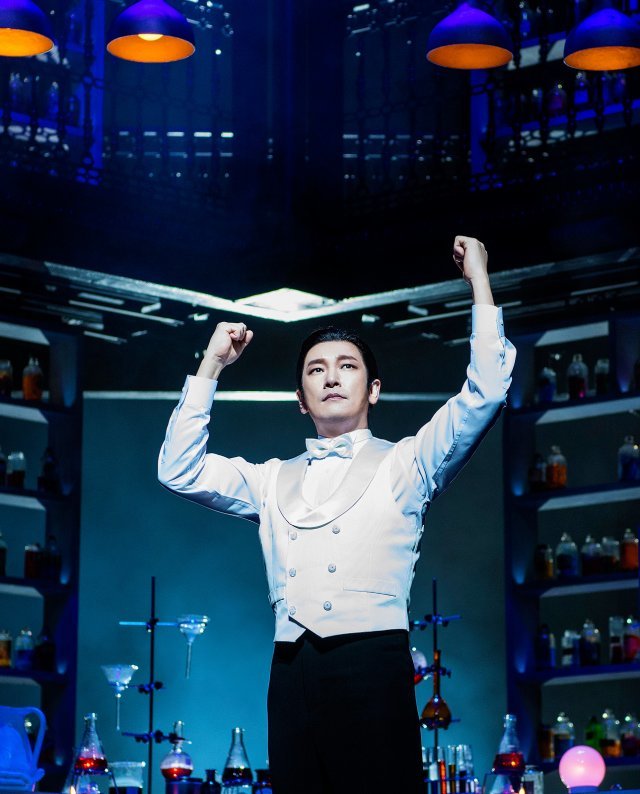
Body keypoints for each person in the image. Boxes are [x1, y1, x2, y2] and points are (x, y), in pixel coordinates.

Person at [158, 235, 516, 794]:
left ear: (373, 390)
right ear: (301, 399)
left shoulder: (408, 462)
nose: (331, 377)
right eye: (316, 369)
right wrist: (211, 366)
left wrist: (479, 282)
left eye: (347, 366)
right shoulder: (269, 479)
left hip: (374, 664)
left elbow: (487, 392)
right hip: (290, 671)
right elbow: (178, 470)